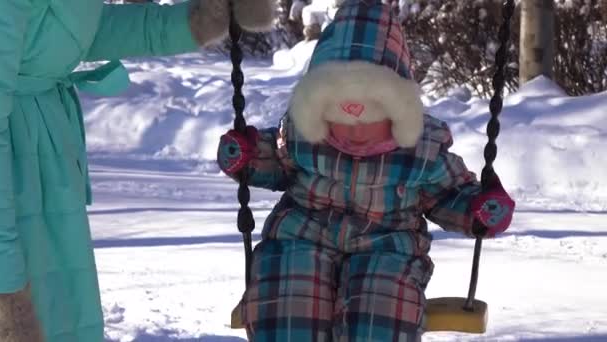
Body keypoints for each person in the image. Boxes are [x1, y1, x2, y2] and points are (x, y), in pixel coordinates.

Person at [216, 0, 515, 340]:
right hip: (302, 237)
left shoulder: (421, 151)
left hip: (386, 247)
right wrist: (247, 155)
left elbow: (450, 194)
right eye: (340, 119)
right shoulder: (304, 136)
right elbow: (275, 156)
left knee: (382, 311)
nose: (355, 132)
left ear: (398, 110)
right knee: (286, 294)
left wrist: (478, 210)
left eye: (371, 118)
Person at [0, 0, 274, 341]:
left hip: (40, 158)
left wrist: (202, 19)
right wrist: (5, 279)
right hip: (15, 168)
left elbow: (76, 31)